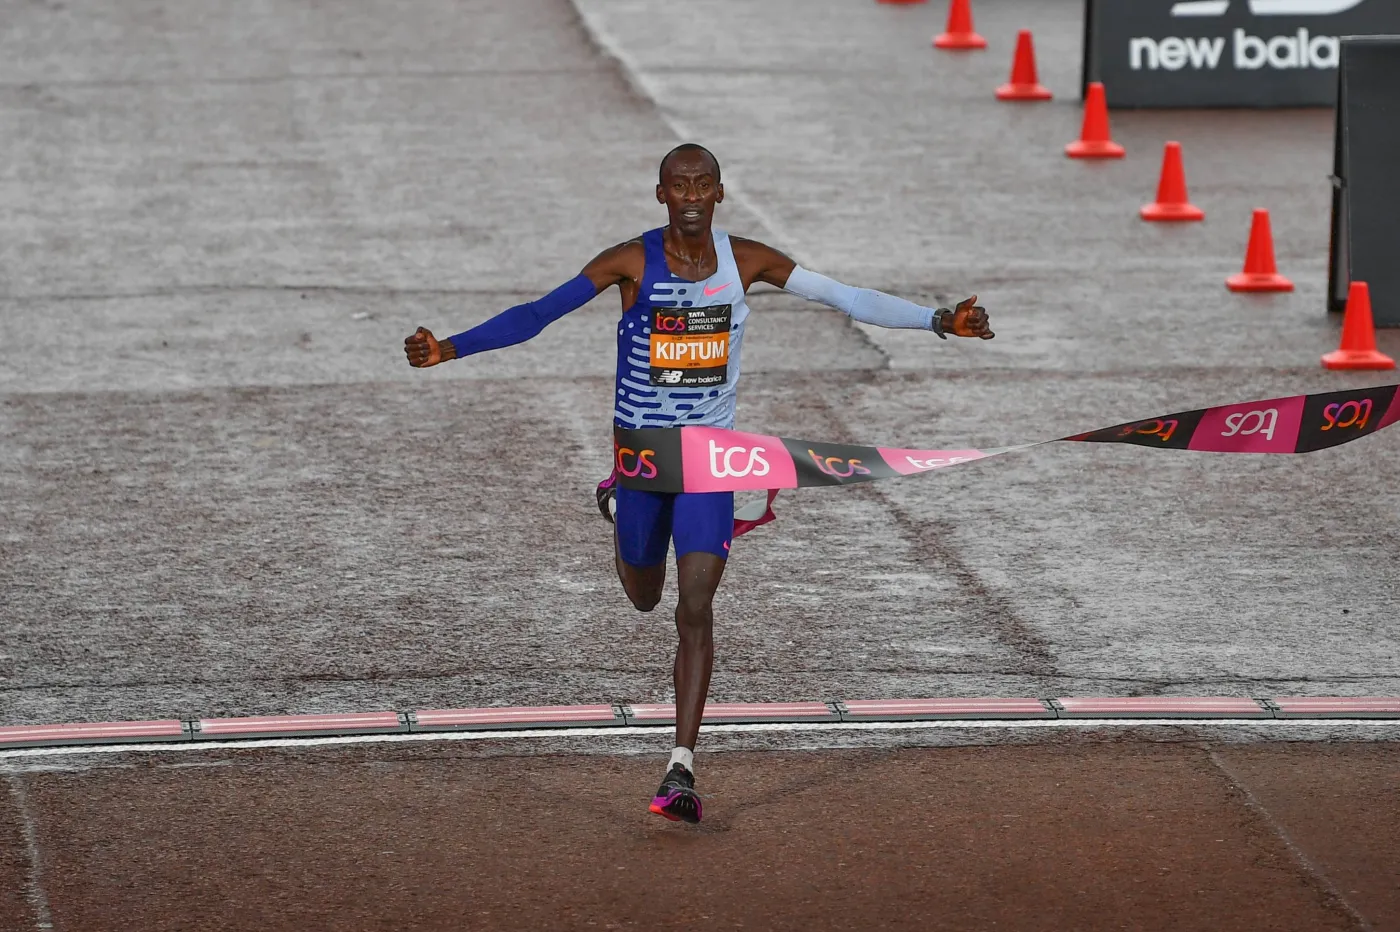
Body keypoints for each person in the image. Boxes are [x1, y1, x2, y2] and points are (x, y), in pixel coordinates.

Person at [403, 144, 994, 824]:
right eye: (677, 184)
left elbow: (844, 296)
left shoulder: (748, 262)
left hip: (711, 459)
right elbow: (539, 314)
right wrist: (450, 347)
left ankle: (680, 765)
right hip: (644, 461)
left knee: (696, 602)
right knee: (645, 597)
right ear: (661, 195)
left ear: (719, 193)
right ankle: (621, 517)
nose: (690, 194)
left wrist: (937, 320)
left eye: (702, 183)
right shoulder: (630, 262)